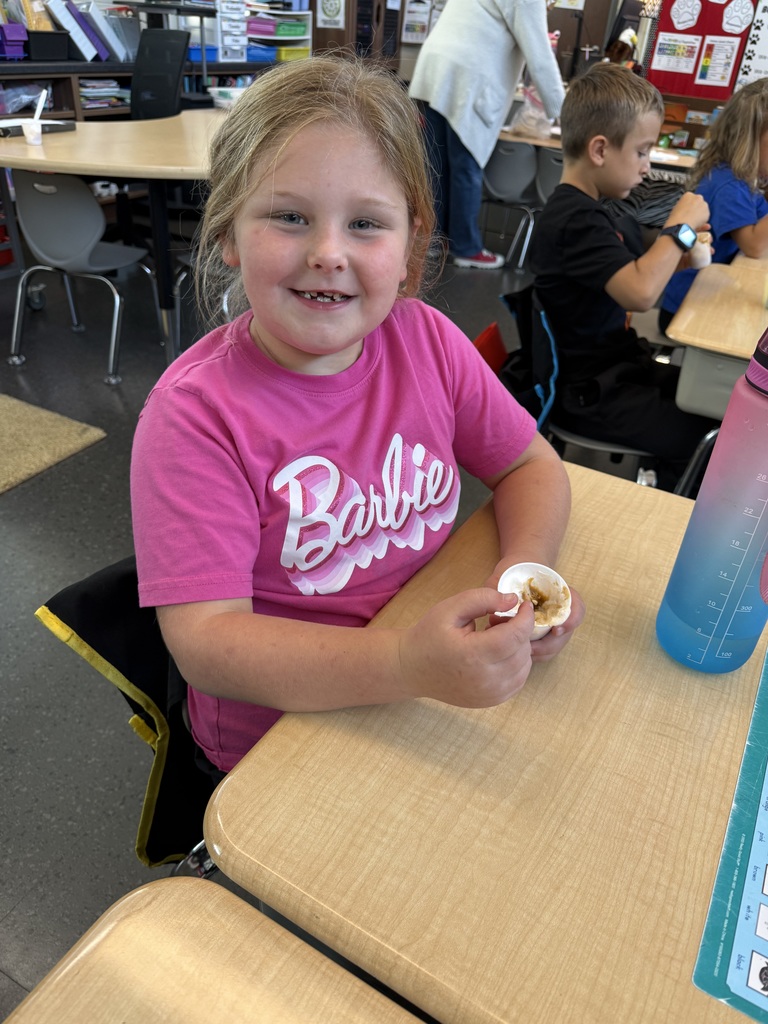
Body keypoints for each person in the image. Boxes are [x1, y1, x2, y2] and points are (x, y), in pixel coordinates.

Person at [130, 55, 585, 775]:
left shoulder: (428, 341)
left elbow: (530, 465)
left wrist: (522, 583)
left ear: (410, 247)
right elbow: (209, 643)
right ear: (226, 232)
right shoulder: (195, 417)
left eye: (367, 224)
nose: (328, 253)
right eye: (288, 217)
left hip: (422, 680)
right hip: (282, 741)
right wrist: (404, 661)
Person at [528, 62, 719, 491]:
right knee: (710, 436)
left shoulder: (597, 210)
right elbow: (639, 293)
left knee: (711, 401)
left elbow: (631, 274)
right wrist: (680, 229)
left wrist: (679, 257)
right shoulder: (574, 218)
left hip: (618, 370)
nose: (647, 167)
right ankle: (671, 515)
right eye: (641, 151)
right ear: (599, 150)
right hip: (591, 396)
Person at [408, 0, 565, 270]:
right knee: (466, 168)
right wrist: (565, 114)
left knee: (436, 166)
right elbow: (540, 55)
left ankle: (434, 241)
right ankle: (466, 247)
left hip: (435, 68)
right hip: (468, 76)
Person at [659, 78, 768, 333]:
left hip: (710, 295)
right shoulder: (729, 185)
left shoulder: (743, 180)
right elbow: (754, 246)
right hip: (687, 308)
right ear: (749, 141)